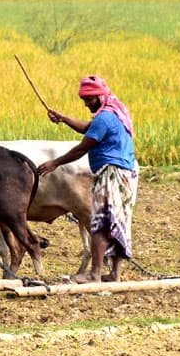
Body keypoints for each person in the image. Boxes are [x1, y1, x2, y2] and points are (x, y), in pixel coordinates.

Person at [37, 75, 138, 283]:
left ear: (101, 96)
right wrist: (64, 118)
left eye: (90, 100)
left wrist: (54, 163)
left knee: (101, 222)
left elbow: (83, 147)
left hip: (111, 173)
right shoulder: (115, 112)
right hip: (125, 174)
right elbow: (88, 128)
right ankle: (115, 274)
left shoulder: (105, 118)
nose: (87, 104)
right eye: (85, 101)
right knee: (118, 221)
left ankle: (95, 274)